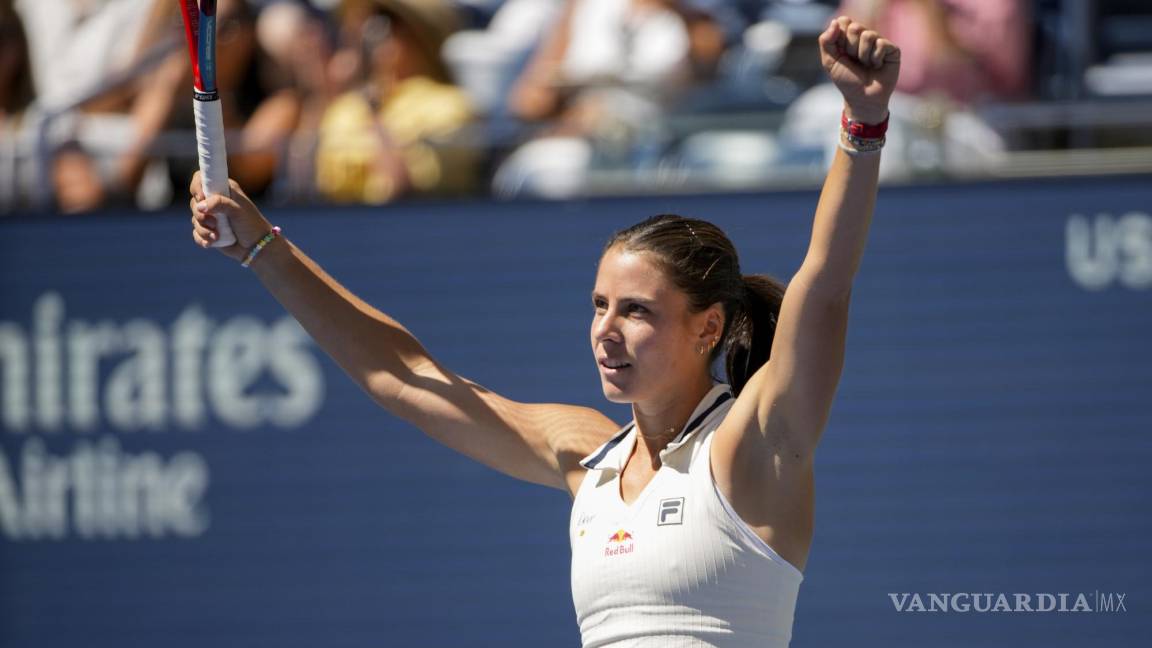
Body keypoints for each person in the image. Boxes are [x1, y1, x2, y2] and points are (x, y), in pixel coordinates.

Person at [188, 15, 899, 646]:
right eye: (599, 306)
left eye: (636, 311)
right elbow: (403, 377)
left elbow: (826, 283)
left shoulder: (755, 444)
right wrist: (260, 247)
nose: (606, 331)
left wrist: (862, 126)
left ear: (708, 326)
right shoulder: (584, 455)